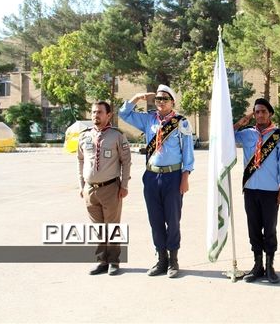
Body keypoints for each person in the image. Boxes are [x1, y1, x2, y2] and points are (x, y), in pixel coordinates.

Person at [119, 85, 194, 278]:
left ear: (173, 102)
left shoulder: (181, 123)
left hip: (173, 176)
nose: (160, 102)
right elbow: (124, 114)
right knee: (155, 220)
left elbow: (188, 152)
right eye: (158, 99)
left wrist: (185, 177)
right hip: (152, 176)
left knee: (173, 219)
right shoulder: (149, 120)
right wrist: (137, 97)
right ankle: (161, 260)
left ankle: (173, 260)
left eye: (165, 99)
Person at [233, 98, 280, 283]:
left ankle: (270, 266)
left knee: (270, 229)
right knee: (253, 228)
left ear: (270, 113)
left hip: (270, 191)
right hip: (250, 190)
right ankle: (257, 266)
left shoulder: (278, 136)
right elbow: (226, 136)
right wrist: (240, 122)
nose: (260, 115)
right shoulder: (247, 134)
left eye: (264, 111)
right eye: (257, 112)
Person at [78, 101, 131, 276]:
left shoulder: (117, 136)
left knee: (112, 227)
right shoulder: (84, 136)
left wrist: (124, 185)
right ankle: (102, 261)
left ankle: (114, 261)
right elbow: (80, 160)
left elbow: (126, 161)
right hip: (90, 190)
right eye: (93, 112)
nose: (95, 115)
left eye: (99, 112)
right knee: (97, 228)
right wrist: (81, 185)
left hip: (110, 188)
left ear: (108, 115)